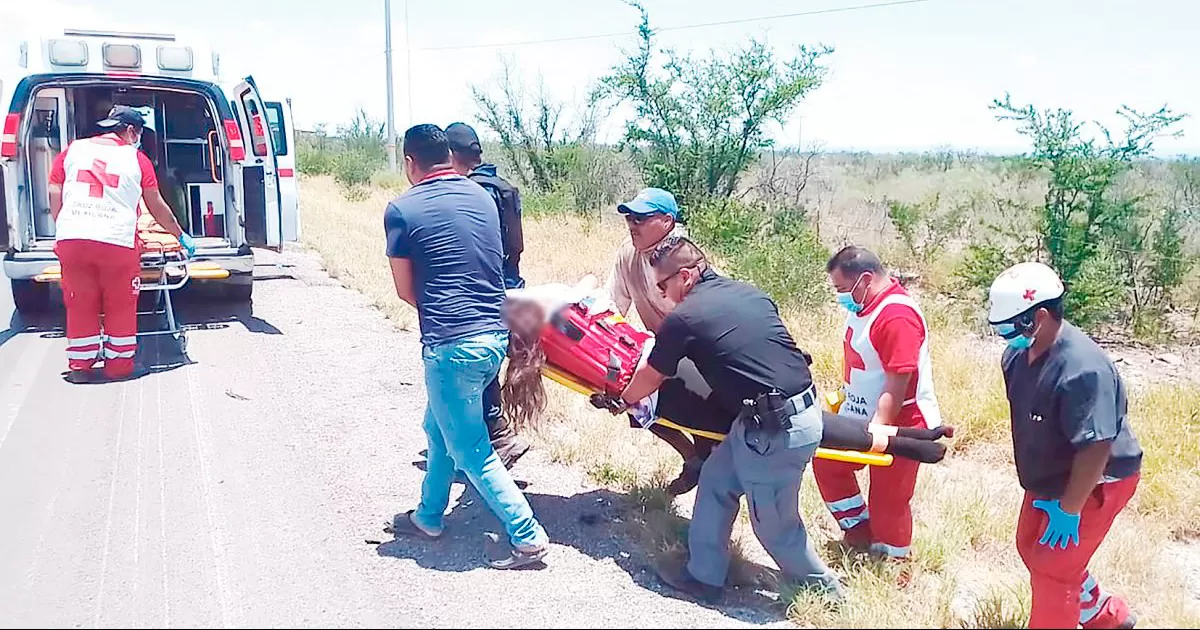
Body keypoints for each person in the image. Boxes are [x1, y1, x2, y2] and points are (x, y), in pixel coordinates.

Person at [600, 236, 841, 602]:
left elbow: (652, 375)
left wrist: (622, 399)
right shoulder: (749, 294)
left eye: (664, 285)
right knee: (715, 482)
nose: (663, 295)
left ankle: (829, 597)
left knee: (775, 527)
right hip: (767, 418)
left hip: (777, 431)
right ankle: (704, 576)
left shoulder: (685, 318)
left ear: (686, 275)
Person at [384, 124, 548, 569]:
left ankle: (527, 534)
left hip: (450, 344)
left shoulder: (401, 209)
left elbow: (405, 290)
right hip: (495, 334)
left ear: (410, 163)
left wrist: (446, 314)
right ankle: (429, 516)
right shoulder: (482, 196)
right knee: (440, 429)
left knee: (472, 448)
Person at [988, 262, 1142, 630]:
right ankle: (1107, 617)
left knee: (1053, 568)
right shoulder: (1016, 355)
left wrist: (1071, 509)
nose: (1003, 335)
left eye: (1010, 326)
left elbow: (1096, 446)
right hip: (1051, 475)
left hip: (1096, 478)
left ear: (1038, 317)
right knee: (1029, 546)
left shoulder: (1083, 370)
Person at [814, 246, 943, 560]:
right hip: (859, 416)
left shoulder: (897, 316)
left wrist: (880, 434)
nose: (840, 297)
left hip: (902, 422)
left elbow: (897, 383)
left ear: (866, 280)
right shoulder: (863, 306)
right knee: (827, 463)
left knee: (889, 500)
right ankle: (859, 532)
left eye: (843, 289)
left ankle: (893, 564)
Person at [48, 105, 195, 382]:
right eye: (138, 132)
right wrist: (179, 234)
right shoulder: (137, 159)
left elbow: (55, 189)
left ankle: (81, 368)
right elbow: (156, 205)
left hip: (72, 238)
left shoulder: (72, 150)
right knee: (120, 303)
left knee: (79, 301)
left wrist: (64, 226)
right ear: (130, 131)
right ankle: (119, 367)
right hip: (115, 241)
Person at [606, 188, 717, 495]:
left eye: (641, 218)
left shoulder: (683, 257)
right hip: (659, 349)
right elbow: (614, 305)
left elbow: (705, 317)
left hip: (699, 355)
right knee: (627, 394)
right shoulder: (627, 253)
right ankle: (691, 457)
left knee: (708, 429)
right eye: (629, 217)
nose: (632, 223)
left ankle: (708, 478)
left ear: (668, 221)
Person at [445, 122, 530, 469]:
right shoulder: (504, 188)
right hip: (511, 281)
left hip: (484, 286)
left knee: (476, 362)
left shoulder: (469, 191)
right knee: (490, 360)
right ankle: (489, 433)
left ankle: (494, 434)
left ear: (450, 156)